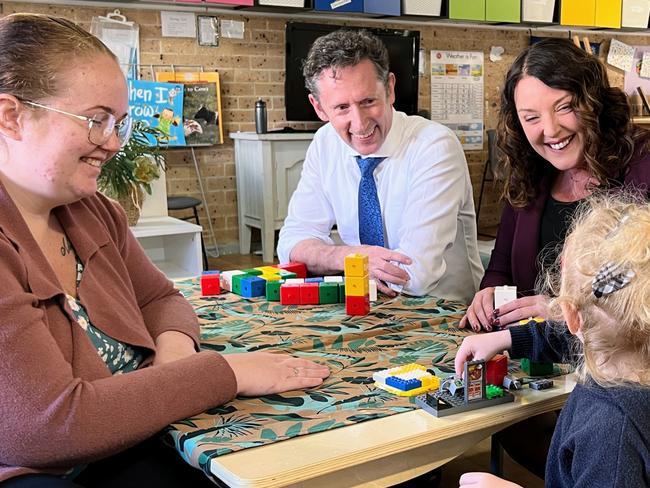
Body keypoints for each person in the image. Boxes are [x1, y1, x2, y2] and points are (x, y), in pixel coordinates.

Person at [0, 13, 329, 487]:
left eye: (119, 123)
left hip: (123, 442)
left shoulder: (93, 213)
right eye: (96, 121)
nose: (112, 143)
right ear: (11, 116)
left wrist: (174, 359)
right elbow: (49, 427)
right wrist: (223, 373)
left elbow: (161, 299)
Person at [455, 194, 650, 487]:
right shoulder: (621, 349)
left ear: (570, 316)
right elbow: (575, 336)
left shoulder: (611, 433)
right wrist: (507, 338)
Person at [277, 29, 483, 302]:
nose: (360, 123)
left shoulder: (434, 145)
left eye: (368, 101)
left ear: (390, 88)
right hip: (369, 306)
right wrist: (348, 256)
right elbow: (291, 244)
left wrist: (334, 262)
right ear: (319, 108)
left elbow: (415, 274)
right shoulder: (325, 143)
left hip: (444, 313)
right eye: (341, 108)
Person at [461, 37, 650, 332]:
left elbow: (639, 282)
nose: (550, 130)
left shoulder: (643, 165)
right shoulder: (530, 174)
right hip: (536, 358)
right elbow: (501, 268)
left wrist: (561, 308)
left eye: (564, 107)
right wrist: (489, 293)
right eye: (531, 117)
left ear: (594, 101)